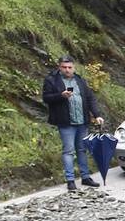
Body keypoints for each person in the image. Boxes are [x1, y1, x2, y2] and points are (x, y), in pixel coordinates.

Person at [41, 56, 102, 191]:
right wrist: (60, 96)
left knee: (82, 150)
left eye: (69, 67)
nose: (67, 70)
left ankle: (85, 177)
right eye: (64, 67)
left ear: (74, 67)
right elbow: (46, 98)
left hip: (82, 122)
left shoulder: (79, 80)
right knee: (68, 151)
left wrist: (97, 115)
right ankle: (70, 180)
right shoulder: (52, 80)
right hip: (66, 122)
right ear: (59, 67)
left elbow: (90, 98)